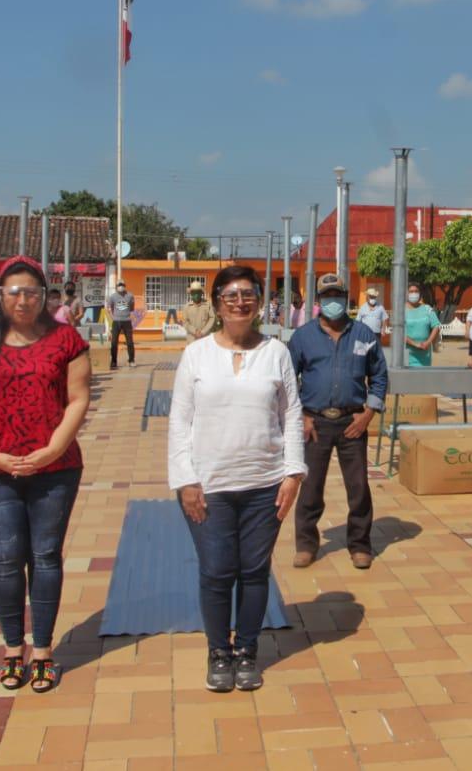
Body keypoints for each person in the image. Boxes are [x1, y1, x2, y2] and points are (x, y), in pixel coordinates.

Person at [168, 266, 306, 693]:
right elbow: (179, 421)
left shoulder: (276, 353)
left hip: (265, 483)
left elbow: (292, 414)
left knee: (253, 571)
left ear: (259, 302)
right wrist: (186, 480)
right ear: (216, 304)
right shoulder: (196, 355)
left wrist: (293, 473)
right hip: (209, 484)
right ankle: (218, 651)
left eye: (248, 294)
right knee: (216, 570)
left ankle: (246, 650)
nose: (240, 302)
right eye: (230, 296)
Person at [0, 255, 91, 693]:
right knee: (4, 558)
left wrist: (53, 448)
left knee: (46, 556)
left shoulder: (66, 340)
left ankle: (44, 651)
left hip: (55, 469)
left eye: (31, 292)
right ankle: (13, 648)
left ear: (43, 296)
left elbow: (78, 399)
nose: (23, 300)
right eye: (13, 291)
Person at [288, 273, 388, 570]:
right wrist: (302, 417)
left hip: (352, 422)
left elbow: (379, 376)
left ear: (346, 299)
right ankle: (306, 544)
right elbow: (288, 380)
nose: (333, 302)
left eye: (338, 296)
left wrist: (369, 412)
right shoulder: (302, 337)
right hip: (314, 423)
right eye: (327, 297)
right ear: (318, 302)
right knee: (310, 488)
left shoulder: (364, 335)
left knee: (358, 487)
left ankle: (360, 545)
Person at [403, 287, 440, 367]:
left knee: (424, 377)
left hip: (425, 353)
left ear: (420, 294)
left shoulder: (427, 309)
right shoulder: (401, 311)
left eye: (416, 291)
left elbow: (436, 325)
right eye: (411, 291)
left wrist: (428, 342)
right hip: (407, 354)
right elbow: (398, 333)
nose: (414, 293)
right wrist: (415, 344)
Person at [106, 281, 136, 369]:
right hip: (116, 321)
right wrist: (113, 317)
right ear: (116, 286)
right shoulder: (112, 296)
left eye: (122, 285)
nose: (121, 287)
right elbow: (109, 308)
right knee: (114, 342)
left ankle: (131, 360)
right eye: (119, 285)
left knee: (130, 342)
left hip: (127, 321)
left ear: (125, 286)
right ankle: (114, 361)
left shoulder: (130, 296)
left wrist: (127, 315)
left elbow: (132, 308)